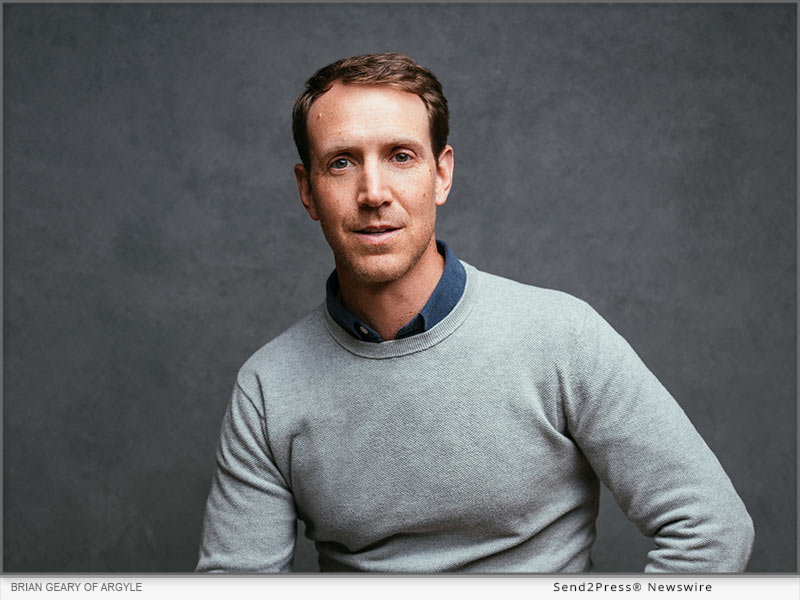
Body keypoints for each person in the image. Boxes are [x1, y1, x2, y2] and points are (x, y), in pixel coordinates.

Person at [196, 53, 754, 573]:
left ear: (441, 174)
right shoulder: (268, 388)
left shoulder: (561, 337)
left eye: (401, 156)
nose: (373, 192)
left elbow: (712, 530)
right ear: (308, 190)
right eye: (342, 163)